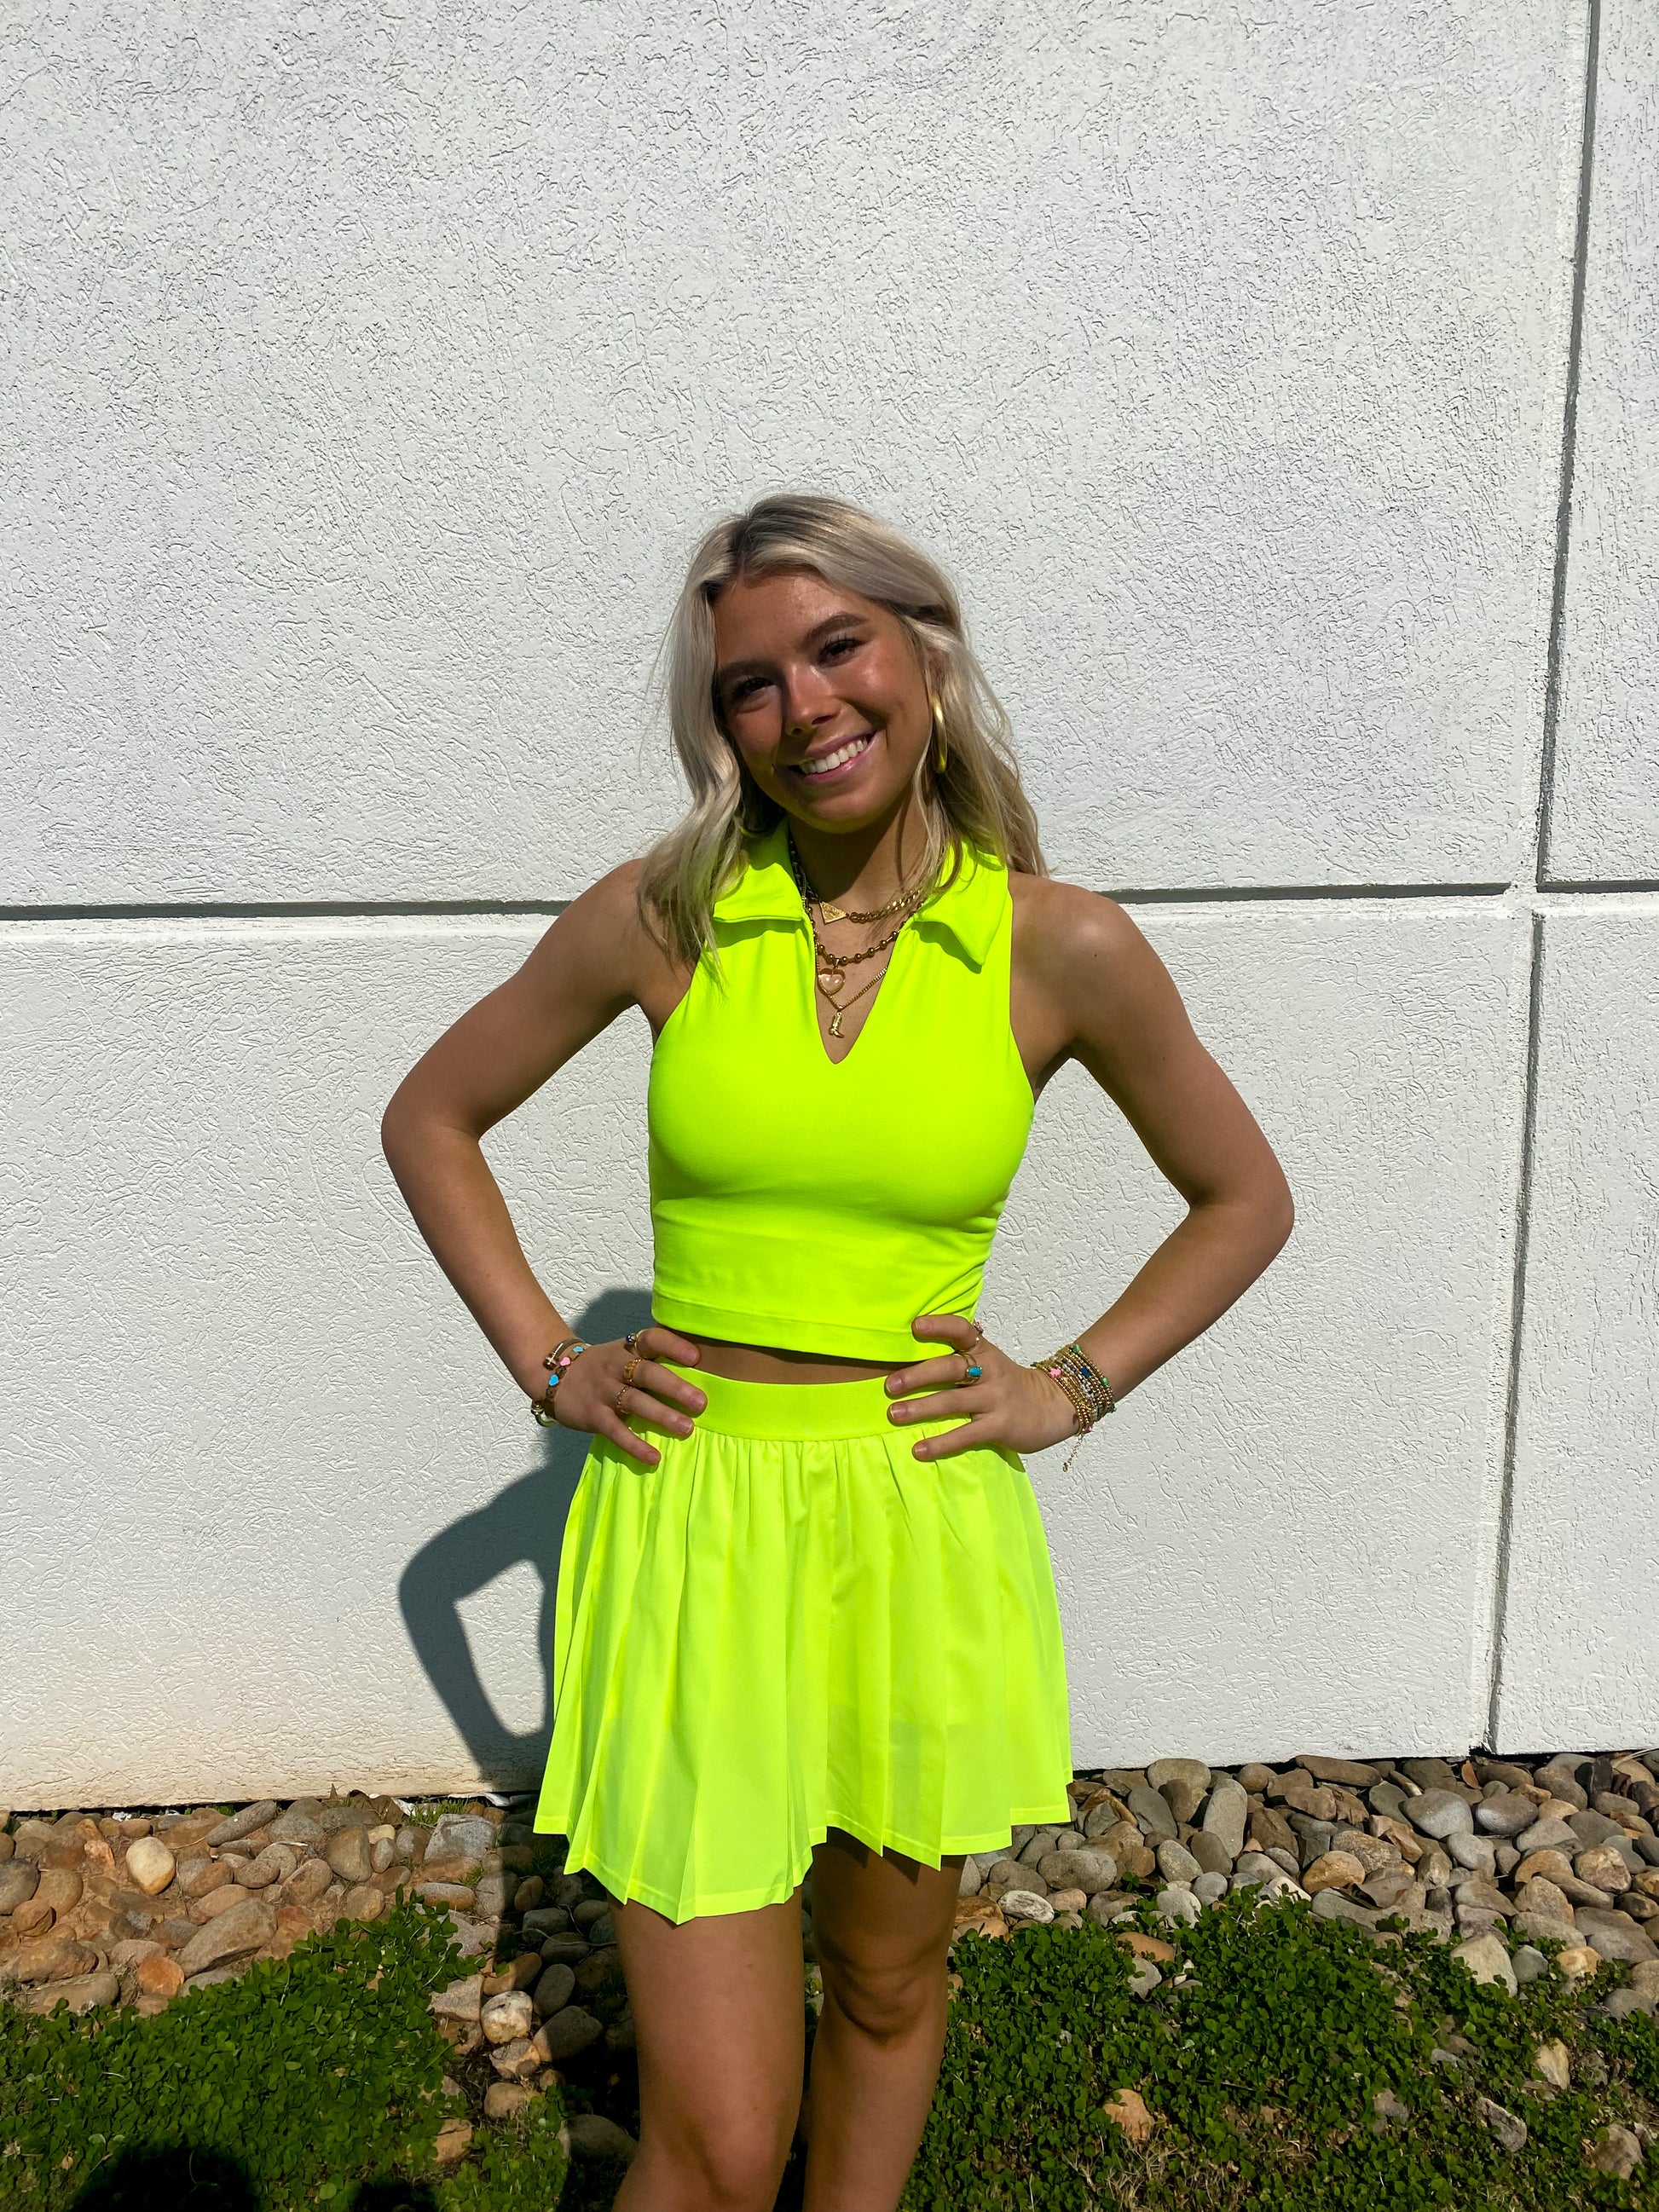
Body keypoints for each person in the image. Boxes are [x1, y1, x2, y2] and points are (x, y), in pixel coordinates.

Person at [380, 491, 1294, 2211]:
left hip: (912, 1526)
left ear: (923, 660)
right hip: (691, 1527)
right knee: (716, 2146)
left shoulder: (1058, 945)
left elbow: (1242, 1197)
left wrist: (1066, 1387)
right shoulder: (664, 918)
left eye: (835, 648)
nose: (803, 705)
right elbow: (432, 1116)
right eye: (751, 683)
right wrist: (549, 1362)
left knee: (883, 1985)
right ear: (722, 725)